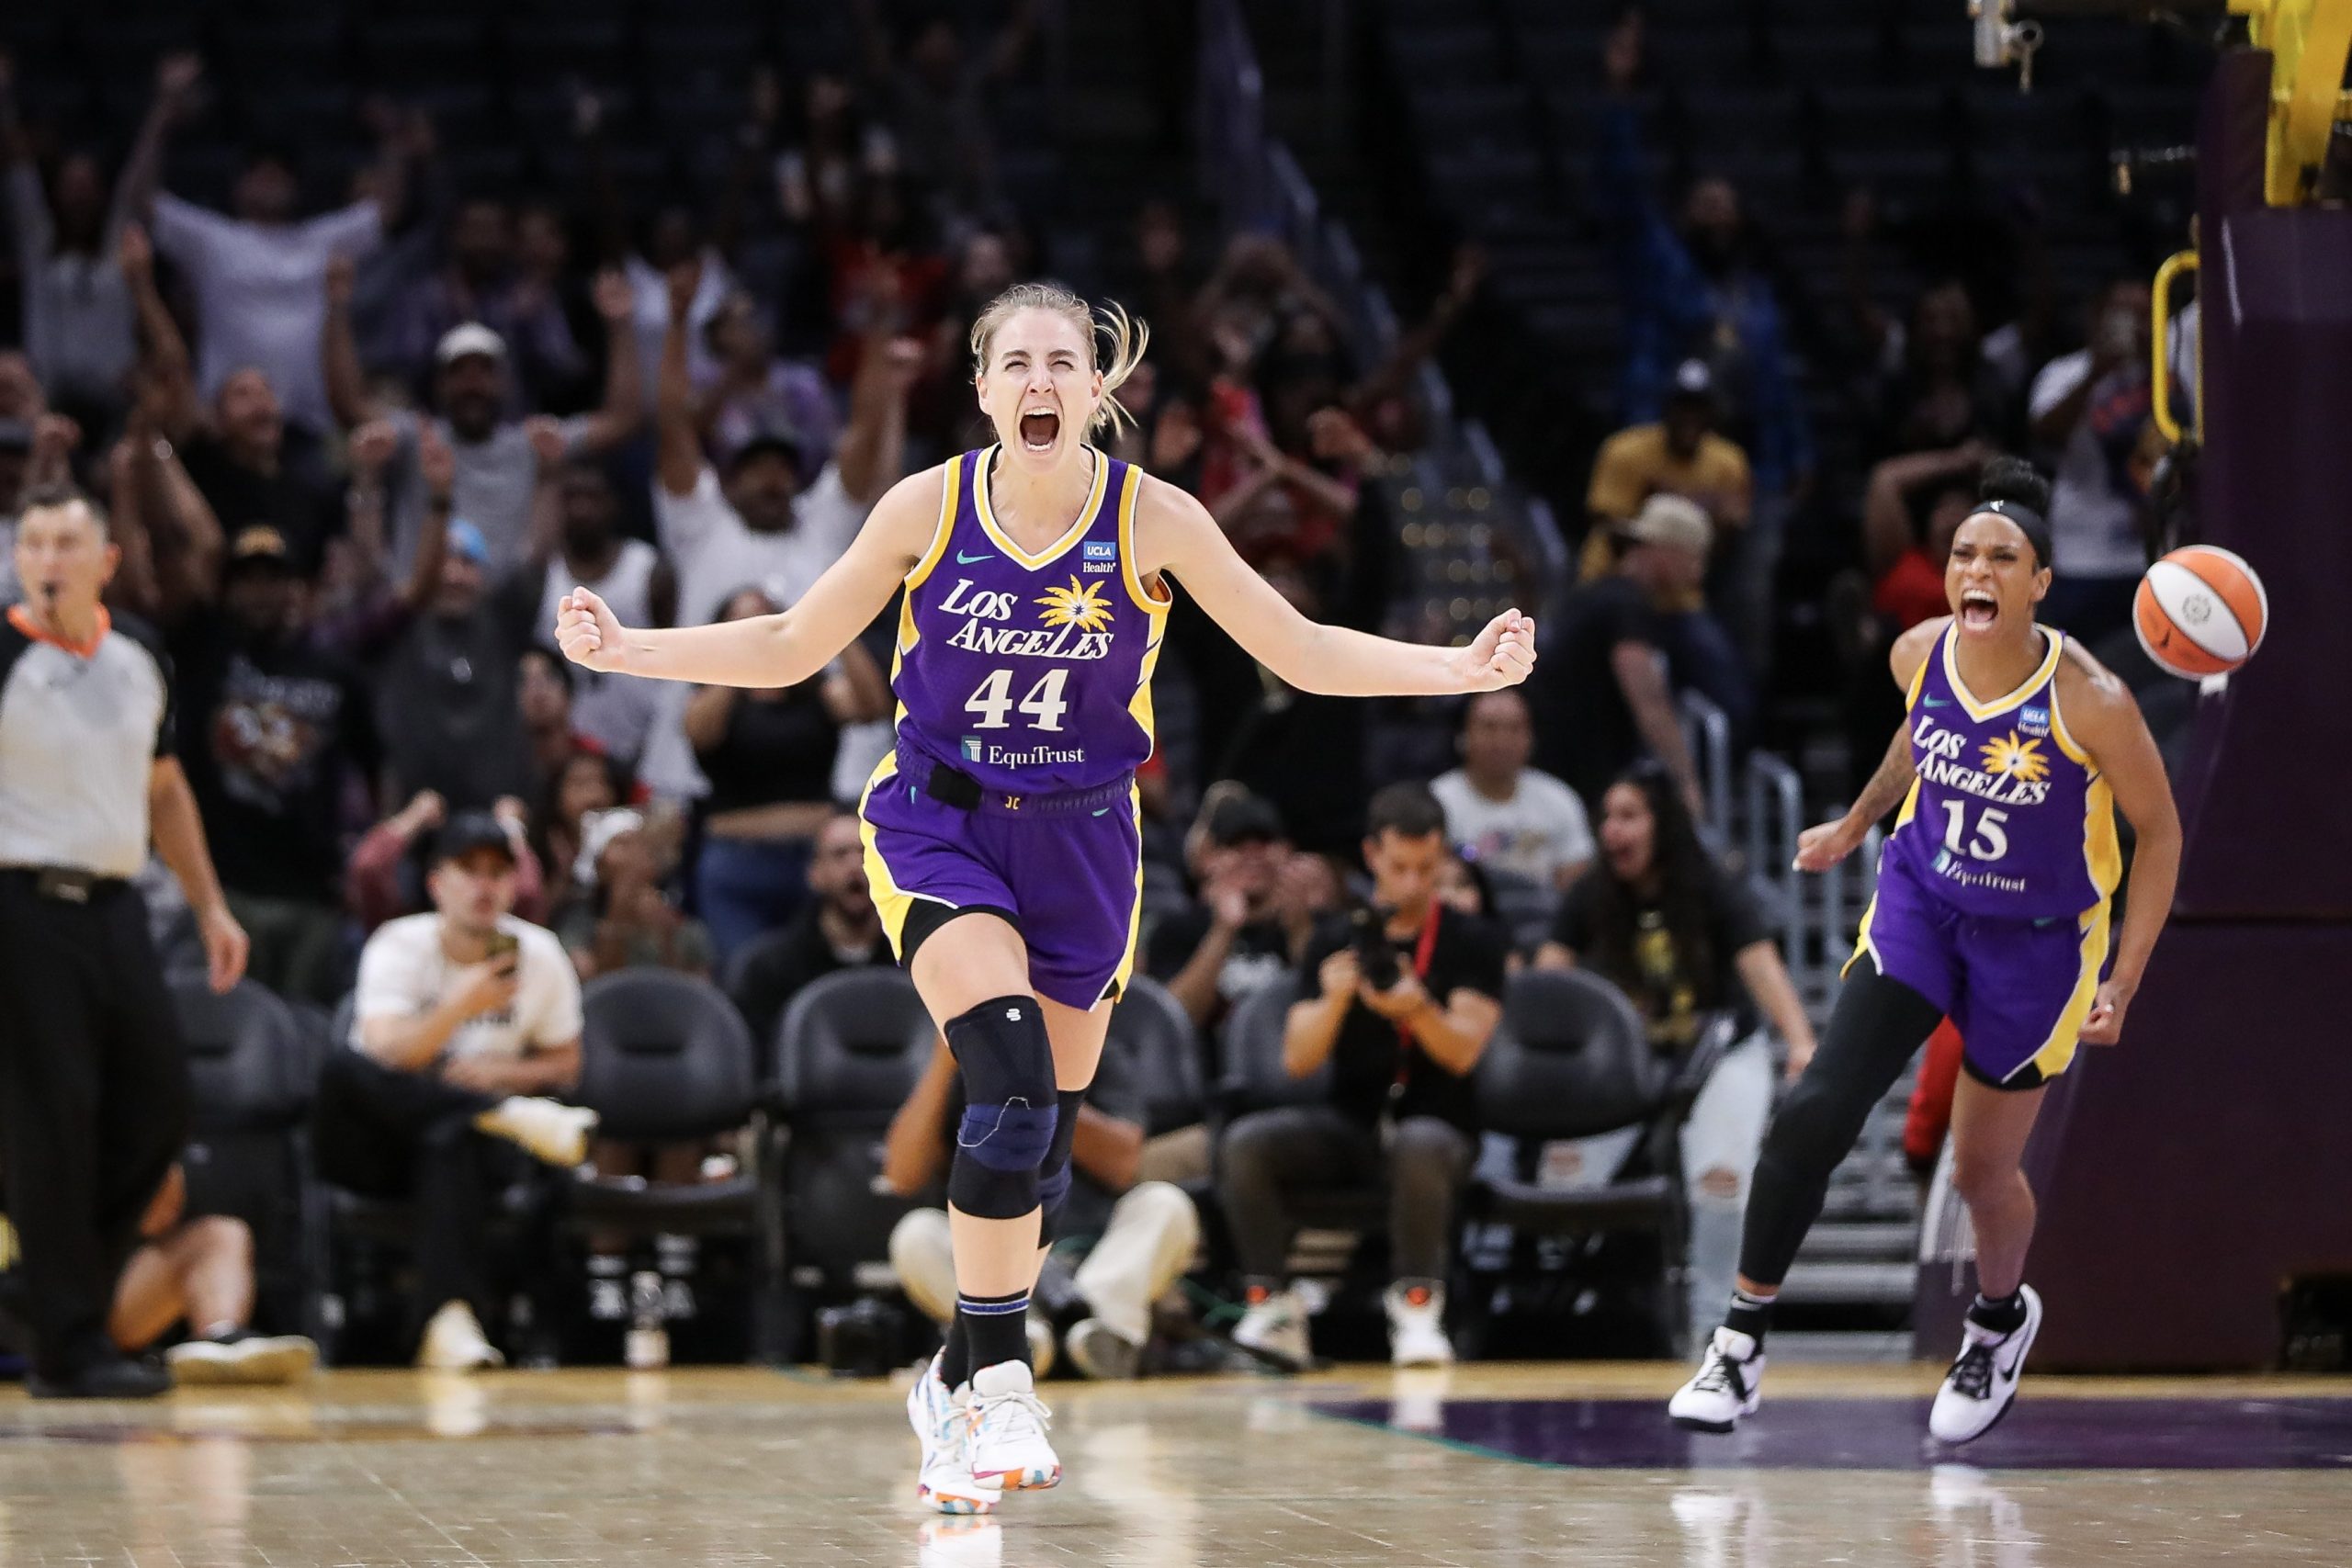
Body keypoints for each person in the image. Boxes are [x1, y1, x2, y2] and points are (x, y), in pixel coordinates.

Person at [554, 279, 1534, 1512]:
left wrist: (1456, 666)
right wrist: (630, 649)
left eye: (1062, 362)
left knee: (1043, 1142)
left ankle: (950, 1376)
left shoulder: (1153, 518)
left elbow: (1303, 648)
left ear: (1098, 387)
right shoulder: (930, 504)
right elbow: (796, 641)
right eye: (1014, 362)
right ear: (980, 387)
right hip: (938, 822)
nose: (1038, 382)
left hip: (1086, 845)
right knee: (1008, 1077)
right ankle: (1003, 1380)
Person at [1668, 459, 2181, 1445]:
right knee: (1814, 1110)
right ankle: (1737, 1347)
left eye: (2002, 557)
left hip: (2037, 946)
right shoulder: (1918, 653)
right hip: (1922, 905)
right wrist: (1857, 821)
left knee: (1981, 1172)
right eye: (1962, 555)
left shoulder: (2094, 702)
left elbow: (2160, 837)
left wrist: (2124, 976)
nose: (1975, 571)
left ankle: (1996, 1322)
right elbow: (1919, 738)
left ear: (2039, 582)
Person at [0, 484, 249, 1397]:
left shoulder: (141, 651)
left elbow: (168, 790)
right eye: (34, 543)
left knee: (160, 1106)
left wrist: (212, 906)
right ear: (19, 559)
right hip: (18, 904)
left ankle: (45, 1288)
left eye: (68, 541)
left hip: (116, 904)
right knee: (51, 1118)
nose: (50, 558)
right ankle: (70, 1348)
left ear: (105, 559)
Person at [1219, 783, 1508, 1374]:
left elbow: (1463, 1054)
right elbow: (1298, 1058)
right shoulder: (1332, 938)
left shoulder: (1475, 938)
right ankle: (1272, 1306)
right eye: (1400, 867)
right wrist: (1333, 1001)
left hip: (1441, 1126)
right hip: (1351, 1123)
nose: (1413, 883)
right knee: (1248, 1143)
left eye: (1428, 868)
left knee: (1420, 1142)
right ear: (1372, 855)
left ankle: (1418, 1309)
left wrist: (1417, 1010)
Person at [1533, 762, 1817, 1336]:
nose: (1615, 830)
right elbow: (1547, 979)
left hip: (1718, 1056)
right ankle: (1550, 1314)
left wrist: (1800, 1041)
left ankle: (1717, 1326)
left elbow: (1759, 961)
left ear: (1662, 824)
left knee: (1719, 1182)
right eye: (1608, 817)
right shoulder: (1592, 891)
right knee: (1559, 1179)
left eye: (1630, 816)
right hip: (1627, 1063)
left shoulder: (1711, 885)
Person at [319, 811, 599, 1371]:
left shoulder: (540, 955)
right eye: (468, 870)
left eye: (498, 871)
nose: (484, 885)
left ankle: (450, 1323)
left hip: (469, 1150)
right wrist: (460, 1007)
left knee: (450, 1135)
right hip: (378, 1146)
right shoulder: (399, 945)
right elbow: (387, 1053)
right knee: (341, 1070)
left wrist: (503, 1076)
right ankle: (503, 1115)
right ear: (436, 884)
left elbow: (567, 1064)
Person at [883, 1024, 1201, 1384]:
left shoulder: (1092, 1044)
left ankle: (1102, 1333)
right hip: (992, 1258)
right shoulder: (962, 1057)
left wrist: (1032, 1090)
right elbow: (902, 1175)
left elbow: (1122, 1166)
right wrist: (945, 1063)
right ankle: (1017, 1339)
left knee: (1165, 1204)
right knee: (916, 1234)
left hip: (1094, 1253)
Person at [168, 525, 379, 1005]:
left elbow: (378, 760)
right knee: (233, 1027)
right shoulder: (204, 655)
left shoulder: (335, 670)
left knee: (302, 1036)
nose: (261, 594)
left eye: (273, 579)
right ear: (227, 591)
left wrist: (368, 849)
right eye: (247, 581)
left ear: (298, 588)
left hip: (311, 895)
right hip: (226, 890)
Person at [684, 585, 888, 960]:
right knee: (743, 974)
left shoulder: (815, 692)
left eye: (765, 616)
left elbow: (871, 706)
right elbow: (699, 732)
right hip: (738, 865)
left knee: (822, 968)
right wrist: (740, 657)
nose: (755, 626)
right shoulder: (712, 697)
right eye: (741, 621)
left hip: (816, 860)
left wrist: (835, 632)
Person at [1535, 494, 1714, 820]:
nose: (1698, 574)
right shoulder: (1628, 607)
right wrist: (1686, 782)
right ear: (1665, 551)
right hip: (1575, 773)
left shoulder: (1596, 595)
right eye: (1694, 558)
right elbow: (1649, 704)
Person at [105, 1164, 317, 1386]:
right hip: (68, 1302)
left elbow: (159, 1215)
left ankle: (221, 1341)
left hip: (105, 1303)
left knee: (220, 1237)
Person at [2027, 279, 2155, 644]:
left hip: (2149, 556)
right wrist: (2098, 372)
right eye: (2123, 315)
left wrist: (2152, 361)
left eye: (2143, 315)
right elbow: (2045, 434)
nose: (2133, 325)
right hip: (2081, 555)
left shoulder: (2171, 377)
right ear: (2097, 317)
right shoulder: (2064, 372)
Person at [723, 808, 891, 1048]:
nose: (856, 866)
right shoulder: (769, 969)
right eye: (840, 854)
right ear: (815, 874)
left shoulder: (914, 964)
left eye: (867, 854)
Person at [1582, 358, 1752, 591]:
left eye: (1699, 408)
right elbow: (1606, 522)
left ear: (1713, 414)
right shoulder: (1625, 450)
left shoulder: (1729, 463)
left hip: (1679, 594)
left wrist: (1721, 527)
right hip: (1611, 578)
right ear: (1665, 409)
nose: (1690, 417)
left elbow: (1727, 537)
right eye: (1682, 406)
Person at [1431, 688, 1595, 894]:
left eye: (1514, 728)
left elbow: (1577, 883)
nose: (1501, 741)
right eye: (1489, 727)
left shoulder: (1559, 799)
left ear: (1531, 738)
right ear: (1464, 735)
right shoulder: (1438, 801)